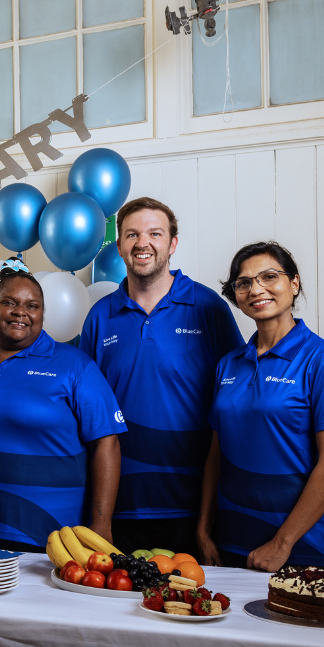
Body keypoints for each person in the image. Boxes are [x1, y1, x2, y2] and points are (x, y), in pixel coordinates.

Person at [80, 197, 243, 556]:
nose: (143, 243)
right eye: (132, 234)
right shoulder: (99, 316)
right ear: (120, 244)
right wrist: (99, 514)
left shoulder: (208, 307)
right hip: (119, 504)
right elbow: (87, 412)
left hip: (196, 506)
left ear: (172, 244)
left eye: (155, 233)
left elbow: (237, 396)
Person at [197, 241, 324, 570]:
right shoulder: (228, 365)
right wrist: (204, 530)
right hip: (232, 543)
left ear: (294, 284)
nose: (256, 289)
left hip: (303, 549)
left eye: (269, 277)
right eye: (244, 282)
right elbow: (215, 456)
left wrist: (282, 543)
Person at [0, 262, 126, 551]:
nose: (20, 312)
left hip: (55, 535)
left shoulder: (75, 365)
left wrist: (101, 525)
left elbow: (107, 444)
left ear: (42, 314)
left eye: (33, 305)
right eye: (9, 302)